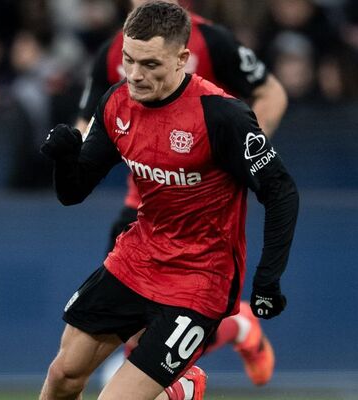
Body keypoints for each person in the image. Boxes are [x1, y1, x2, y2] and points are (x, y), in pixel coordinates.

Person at [39, 3, 300, 400]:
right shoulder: (116, 102)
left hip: (200, 278)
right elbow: (72, 193)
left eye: (150, 64)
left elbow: (281, 192)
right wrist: (64, 159)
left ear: (182, 59)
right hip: (137, 258)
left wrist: (267, 278)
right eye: (128, 60)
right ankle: (181, 387)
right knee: (62, 376)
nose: (136, 75)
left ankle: (184, 381)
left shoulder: (222, 116)